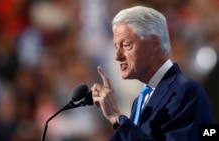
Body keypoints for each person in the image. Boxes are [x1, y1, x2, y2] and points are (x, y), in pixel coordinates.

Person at [91, 6, 213, 141]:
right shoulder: (141, 100)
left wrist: (116, 117)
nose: (117, 56)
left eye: (126, 45)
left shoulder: (187, 92)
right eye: (116, 46)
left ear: (154, 44)